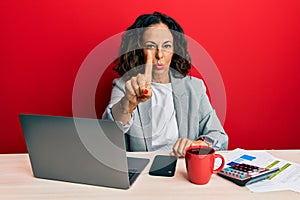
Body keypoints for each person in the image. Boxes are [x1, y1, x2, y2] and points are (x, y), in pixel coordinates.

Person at [102, 11, 228, 157]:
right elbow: (109, 133)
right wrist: (126, 105)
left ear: (175, 50)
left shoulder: (195, 87)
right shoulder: (125, 85)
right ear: (137, 50)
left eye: (167, 46)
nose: (159, 55)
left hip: (182, 169)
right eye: (150, 46)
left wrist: (198, 145)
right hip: (144, 173)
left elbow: (219, 136)